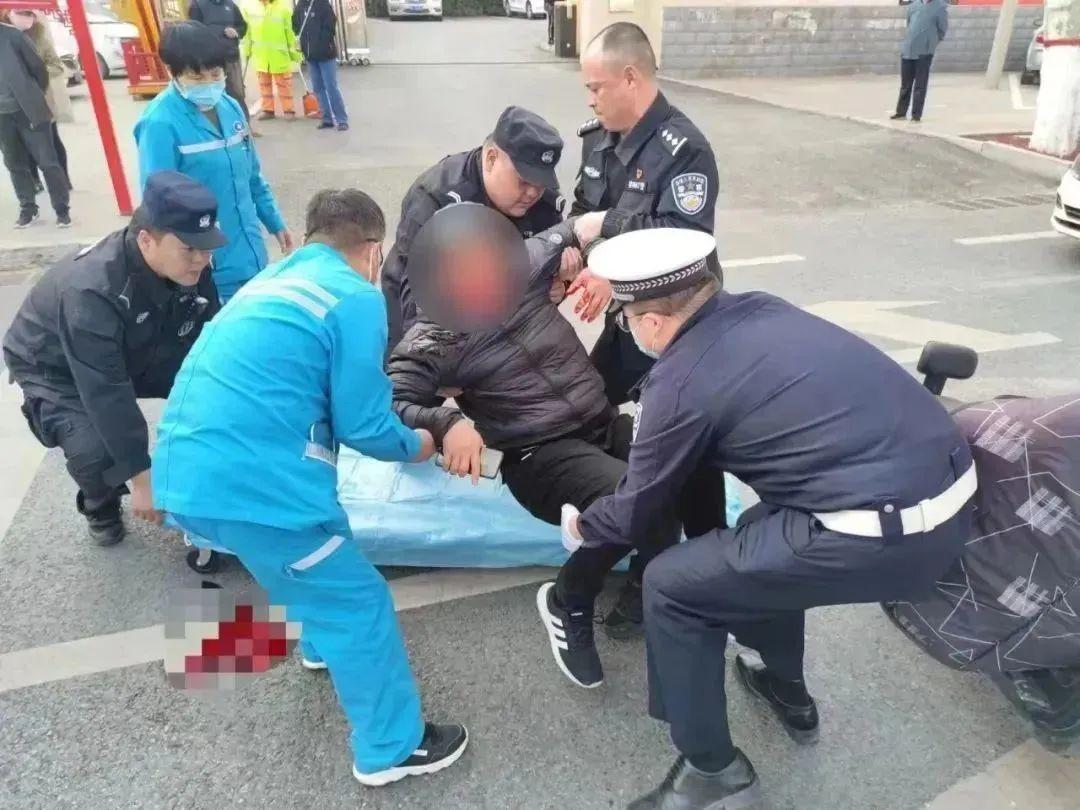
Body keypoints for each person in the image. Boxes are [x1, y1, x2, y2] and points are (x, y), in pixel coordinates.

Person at [561, 228, 977, 809]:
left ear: (651, 322)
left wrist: (582, 526)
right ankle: (785, 685)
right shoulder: (763, 309)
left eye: (628, 321)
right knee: (758, 540)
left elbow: (635, 509)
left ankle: (711, 772)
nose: (630, 331)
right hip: (953, 496)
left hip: (885, 534)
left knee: (673, 585)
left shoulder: (678, 381)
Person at [152, 188, 468, 788]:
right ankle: (390, 748)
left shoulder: (273, 282)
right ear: (373, 250)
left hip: (189, 468)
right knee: (358, 601)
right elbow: (364, 424)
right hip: (252, 486)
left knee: (321, 549)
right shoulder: (354, 296)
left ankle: (321, 645)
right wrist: (420, 444)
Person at [388, 211, 714, 672]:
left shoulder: (521, 266)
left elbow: (589, 224)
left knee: (685, 463)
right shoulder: (432, 338)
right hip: (540, 454)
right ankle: (569, 599)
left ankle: (651, 583)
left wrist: (601, 262)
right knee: (638, 499)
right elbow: (389, 403)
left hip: (601, 421)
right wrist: (445, 422)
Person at [2, 171, 222, 546]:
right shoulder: (91, 291)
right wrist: (141, 478)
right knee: (95, 448)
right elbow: (107, 391)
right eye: (190, 249)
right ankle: (99, 503)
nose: (202, 259)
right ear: (146, 240)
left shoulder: (190, 264)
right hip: (57, 366)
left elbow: (210, 339)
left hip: (138, 342)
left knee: (213, 389)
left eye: (207, 247)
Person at [571, 22, 719, 408]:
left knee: (669, 418)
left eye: (596, 88)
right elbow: (582, 215)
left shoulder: (684, 149)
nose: (590, 100)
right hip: (627, 314)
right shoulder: (596, 139)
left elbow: (684, 238)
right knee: (588, 404)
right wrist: (598, 263)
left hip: (676, 320)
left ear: (630, 78)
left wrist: (608, 227)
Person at [382, 106, 584, 353]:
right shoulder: (437, 199)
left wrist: (555, 287)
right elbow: (416, 297)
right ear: (491, 159)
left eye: (541, 183)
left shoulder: (544, 205)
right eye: (523, 181)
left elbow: (542, 278)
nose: (533, 193)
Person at [135, 20, 293, 302]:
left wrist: (275, 222)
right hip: (205, 268)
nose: (209, 83)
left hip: (251, 256)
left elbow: (252, 177)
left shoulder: (230, 107)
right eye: (197, 77)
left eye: (215, 73)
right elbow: (159, 205)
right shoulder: (159, 122)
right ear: (172, 72)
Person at [0, 9, 70, 228]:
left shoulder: (12, 36)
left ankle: (62, 210)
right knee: (14, 163)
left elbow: (39, 69)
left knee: (47, 161)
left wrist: (32, 95)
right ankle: (28, 208)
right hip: (3, 117)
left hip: (28, 110)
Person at [12, 9, 72, 192]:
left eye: (29, 14)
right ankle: (34, 180)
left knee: (52, 140)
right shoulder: (6, 35)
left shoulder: (39, 35)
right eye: (20, 13)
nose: (25, 18)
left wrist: (36, 74)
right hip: (15, 100)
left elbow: (56, 66)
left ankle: (64, 179)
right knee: (24, 143)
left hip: (41, 96)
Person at [186, 0, 250, 122]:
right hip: (210, 61)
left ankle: (244, 124)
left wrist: (237, 32)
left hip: (231, 57)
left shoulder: (231, 5)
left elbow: (242, 26)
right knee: (214, 94)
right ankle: (219, 126)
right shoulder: (198, 5)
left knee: (237, 93)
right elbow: (193, 32)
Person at [292, 0, 348, 131]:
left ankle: (341, 119)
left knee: (331, 87)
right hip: (310, 56)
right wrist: (302, 39)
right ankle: (326, 118)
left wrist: (321, 44)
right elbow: (294, 23)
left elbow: (330, 26)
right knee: (318, 88)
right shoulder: (301, 5)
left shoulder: (322, 4)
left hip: (326, 54)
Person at [243, 0, 301, 121]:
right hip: (261, 55)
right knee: (264, 85)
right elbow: (247, 33)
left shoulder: (283, 8)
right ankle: (268, 110)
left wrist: (294, 54)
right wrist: (247, 51)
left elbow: (289, 33)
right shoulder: (250, 7)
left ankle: (289, 110)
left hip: (278, 55)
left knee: (284, 84)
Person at [891, 0, 948, 123]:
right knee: (905, 84)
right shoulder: (913, 6)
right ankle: (901, 112)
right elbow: (909, 25)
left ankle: (916, 115)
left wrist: (931, 43)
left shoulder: (940, 7)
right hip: (908, 51)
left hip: (924, 53)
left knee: (920, 85)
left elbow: (942, 30)